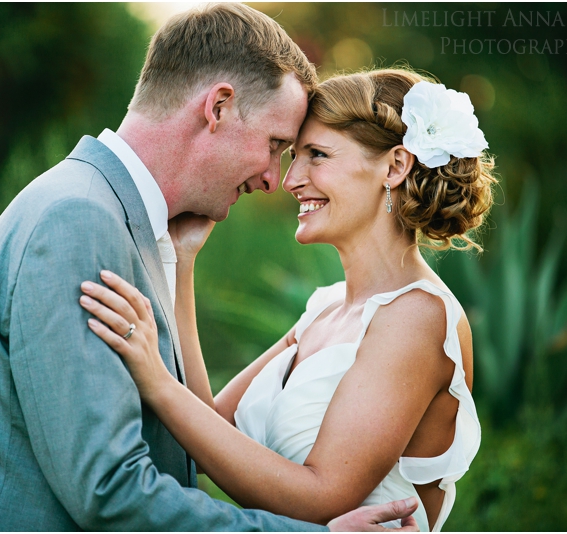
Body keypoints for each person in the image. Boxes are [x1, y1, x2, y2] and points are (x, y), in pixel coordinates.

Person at [0, 4, 419, 531]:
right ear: (218, 107)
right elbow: (109, 492)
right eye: (276, 145)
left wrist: (180, 261)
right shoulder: (78, 222)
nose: (272, 178)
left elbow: (191, 436)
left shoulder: (110, 218)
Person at [78, 67, 497, 531]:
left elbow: (322, 497)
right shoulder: (325, 308)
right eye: (294, 155)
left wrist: (156, 382)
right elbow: (210, 426)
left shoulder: (417, 317)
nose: (290, 179)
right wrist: (182, 259)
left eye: (317, 155)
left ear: (395, 167)